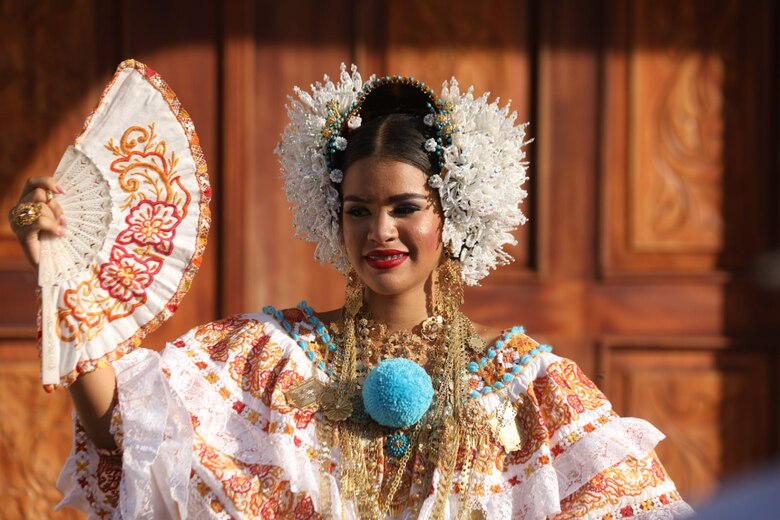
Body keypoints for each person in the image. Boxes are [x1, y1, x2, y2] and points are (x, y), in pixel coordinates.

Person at [9, 64, 694, 519]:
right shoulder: (269, 358)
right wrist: (56, 269)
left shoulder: (534, 390)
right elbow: (121, 434)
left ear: (451, 213)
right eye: (358, 210)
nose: (380, 232)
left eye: (404, 208)